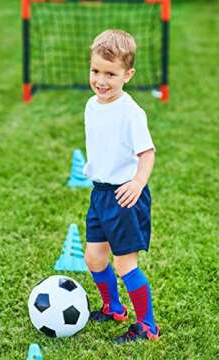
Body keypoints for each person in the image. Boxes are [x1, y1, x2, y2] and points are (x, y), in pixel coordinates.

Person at [83, 29, 160, 344]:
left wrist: (138, 182)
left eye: (110, 74)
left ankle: (147, 326)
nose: (101, 80)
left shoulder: (131, 112)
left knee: (125, 264)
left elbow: (147, 153)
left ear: (128, 75)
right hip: (100, 194)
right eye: (95, 71)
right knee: (93, 258)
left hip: (124, 196)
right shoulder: (92, 104)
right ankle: (113, 307)